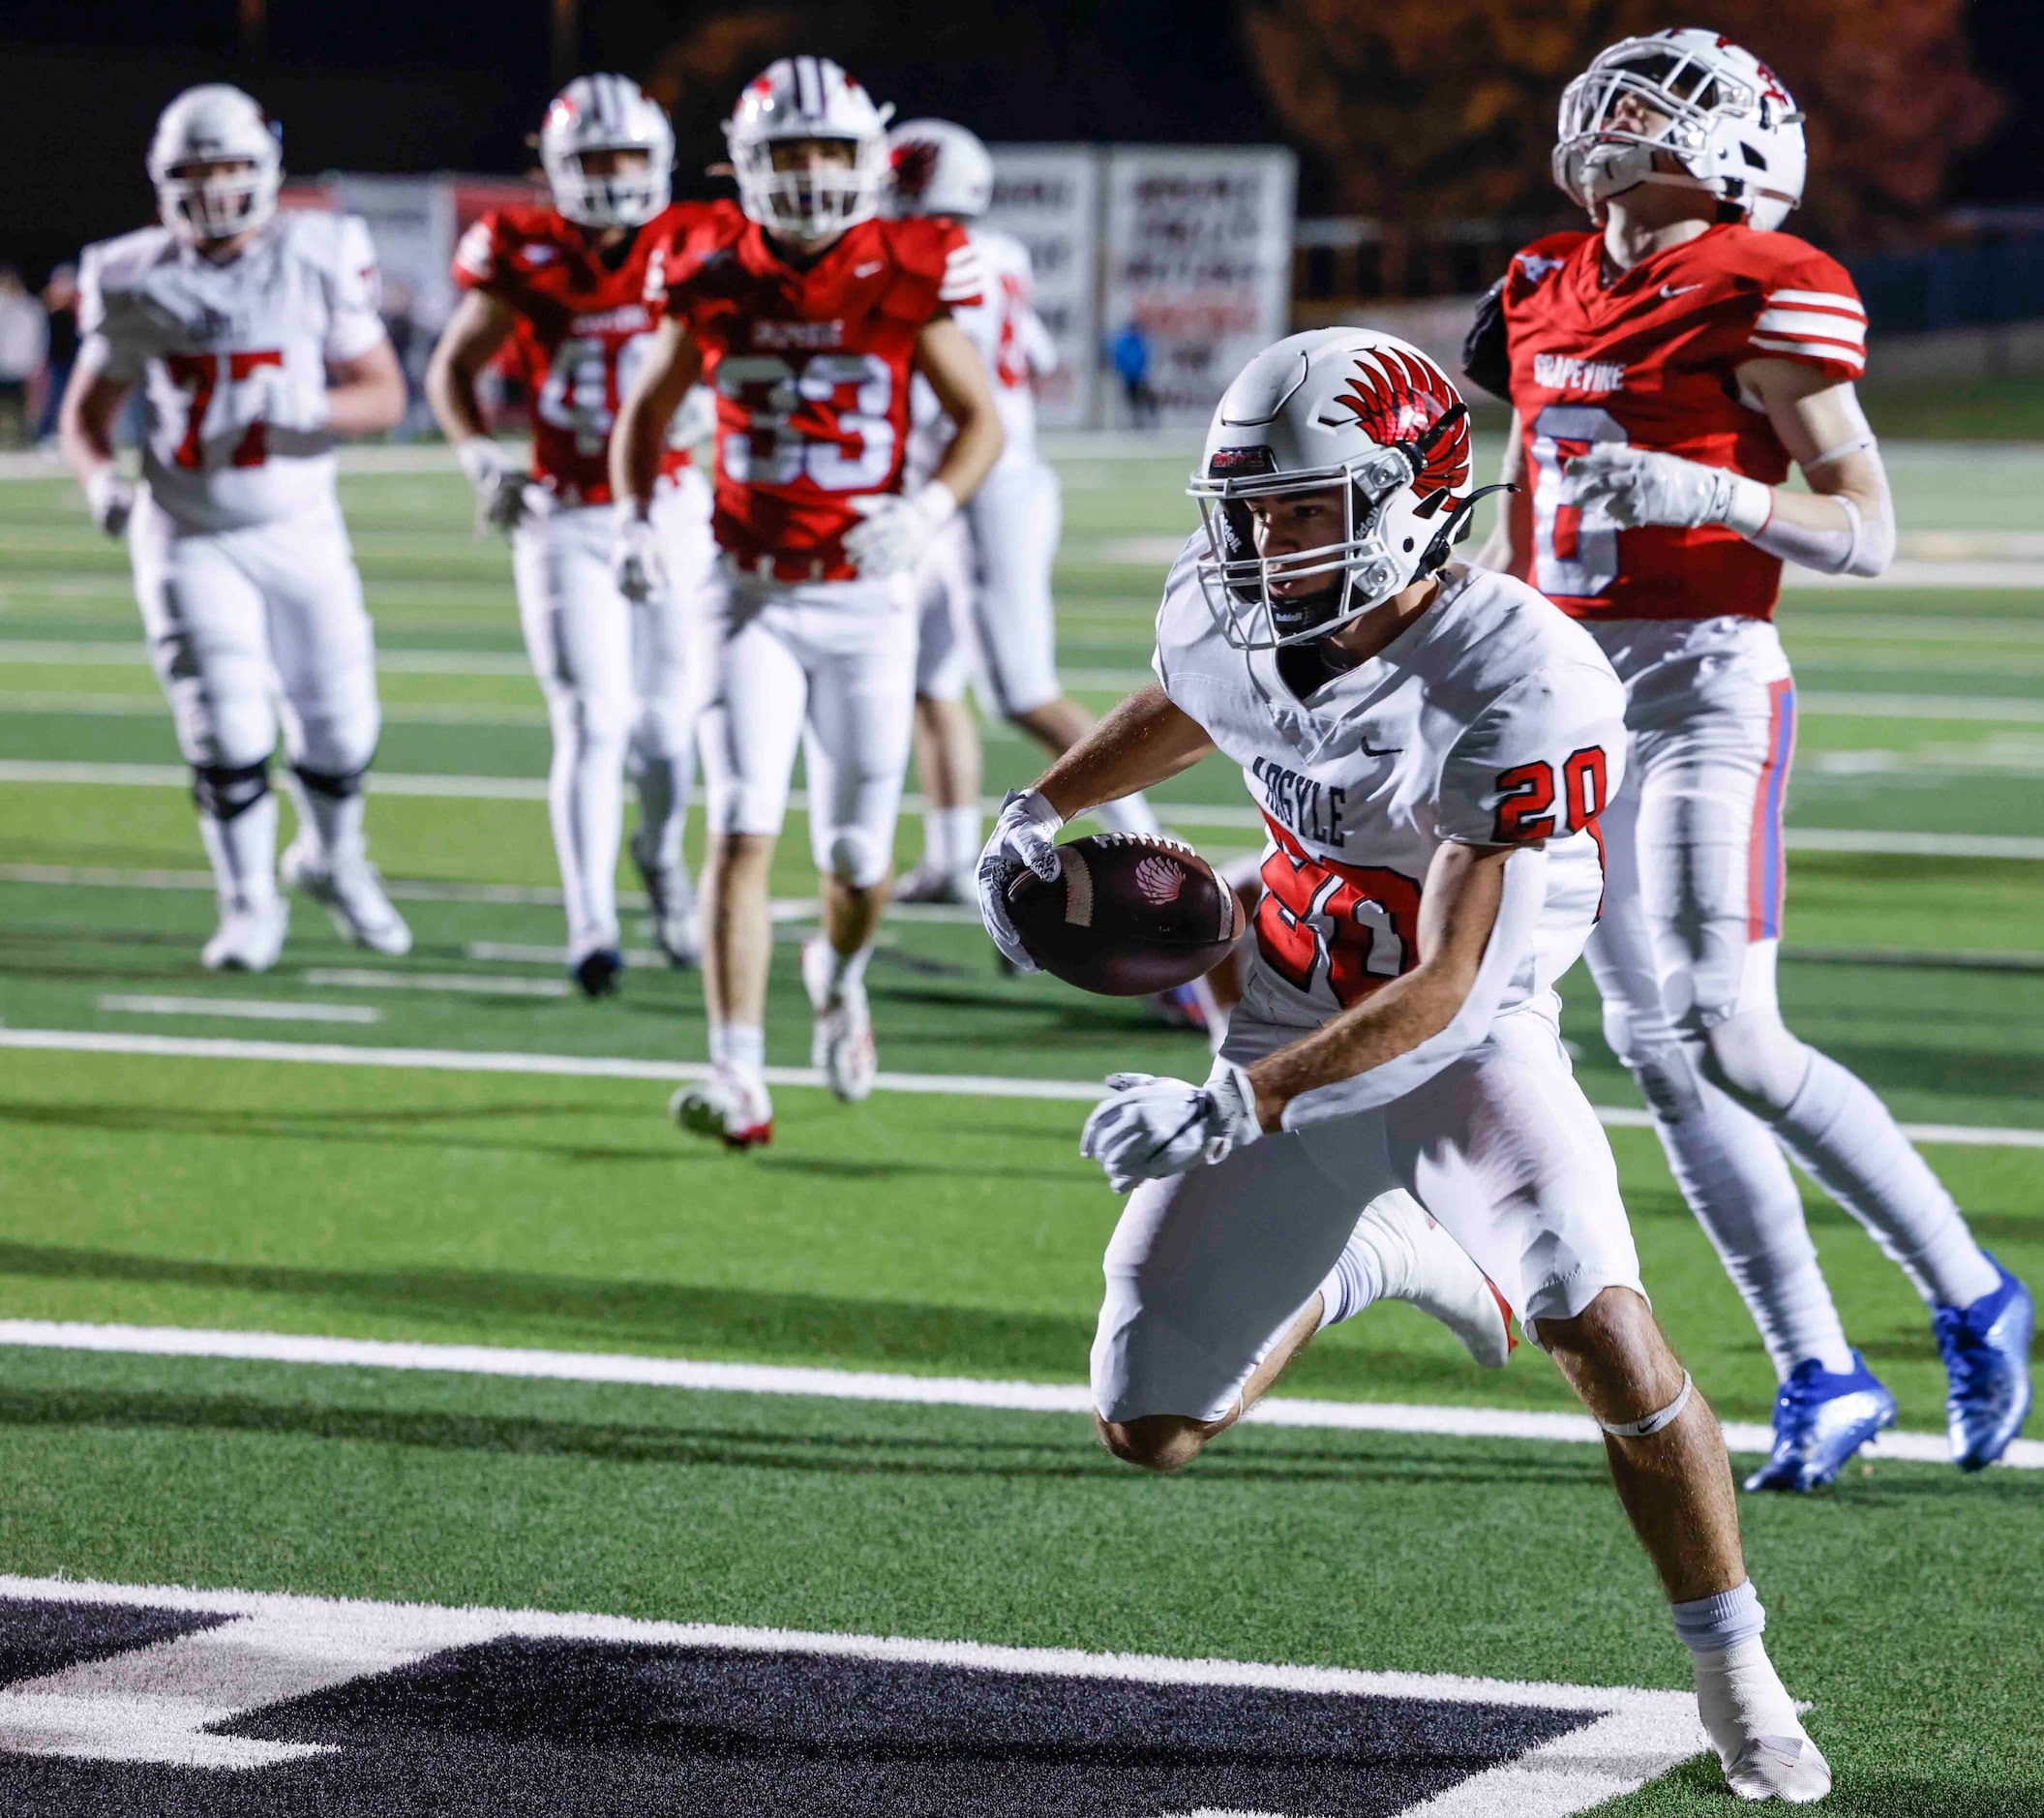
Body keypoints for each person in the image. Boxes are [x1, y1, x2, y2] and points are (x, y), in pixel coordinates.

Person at [980, 327, 1831, 1804]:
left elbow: (1445, 987)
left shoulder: (1516, 677)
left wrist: (1239, 1100)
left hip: (1466, 1047)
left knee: (1604, 1332)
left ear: (1415, 499)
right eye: (1249, 510)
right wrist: (1038, 805)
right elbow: (1200, 701)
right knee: (1150, 1425)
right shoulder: (1237, 606)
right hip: (1288, 1011)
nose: (1264, 544)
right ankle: (1372, 1250)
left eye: (1304, 510)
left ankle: (1736, 1668)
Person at [1469, 28, 2032, 1489]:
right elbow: (1525, 483)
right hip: (1569, 702)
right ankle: (1817, 1369)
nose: (1623, 110)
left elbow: (1870, 527)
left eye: (1668, 101)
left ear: (1742, 147)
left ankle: (1971, 1290)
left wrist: (1713, 487)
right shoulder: (1537, 283)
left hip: (1708, 684)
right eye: (1622, 89)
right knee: (1658, 1058)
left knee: (1730, 1028)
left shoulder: (1768, 280)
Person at [611, 55, 1004, 1146]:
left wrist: (924, 512)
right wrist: (643, 516)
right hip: (742, 589)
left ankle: (838, 974)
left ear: (870, 160)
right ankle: (736, 1073)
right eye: (789, 152)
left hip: (863, 598)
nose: (813, 172)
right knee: (738, 825)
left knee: (856, 860)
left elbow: (982, 422)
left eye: (832, 150)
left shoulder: (905, 266)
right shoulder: (704, 264)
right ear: (745, 165)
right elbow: (645, 412)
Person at [59, 83, 411, 971]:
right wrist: (101, 479)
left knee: (340, 727)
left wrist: (310, 402)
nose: (214, 190)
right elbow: (86, 414)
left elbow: (385, 395)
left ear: (266, 170)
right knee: (226, 726)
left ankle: (334, 859)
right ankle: (250, 903)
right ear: (162, 180)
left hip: (301, 525)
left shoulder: (317, 255)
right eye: (194, 172)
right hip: (189, 529)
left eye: (228, 168)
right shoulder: (134, 274)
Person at [880, 121, 1217, 1029]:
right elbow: (1029, 351)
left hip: (983, 484)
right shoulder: (997, 252)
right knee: (924, 679)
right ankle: (951, 856)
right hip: (968, 480)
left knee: (1021, 691)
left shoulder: (921, 253)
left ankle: (1149, 859)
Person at [428, 73, 715, 997]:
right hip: (563, 513)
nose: (613, 175)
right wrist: (479, 456)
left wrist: (712, 410)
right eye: (593, 160)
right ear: (555, 169)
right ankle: (590, 925)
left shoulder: (696, 241)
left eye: (628, 157)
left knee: (669, 730)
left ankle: (662, 864)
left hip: (671, 504)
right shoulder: (522, 249)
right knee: (592, 721)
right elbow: (454, 369)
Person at [0, 267, 47, 447]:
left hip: (24, 364)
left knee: (25, 407)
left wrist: (37, 361)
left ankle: (23, 439)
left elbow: (40, 336)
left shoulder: (31, 307)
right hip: (3, 364)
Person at [36, 265, 78, 446]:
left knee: (74, 401)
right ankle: (44, 434)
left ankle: (72, 436)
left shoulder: (76, 308)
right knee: (53, 399)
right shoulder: (48, 309)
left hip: (75, 363)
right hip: (56, 363)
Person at [1110, 319, 1157, 428]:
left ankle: (1143, 420)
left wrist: (1142, 370)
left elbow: (1145, 357)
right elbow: (1119, 359)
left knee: (1143, 399)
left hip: (1140, 376)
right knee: (1131, 400)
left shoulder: (1140, 341)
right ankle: (1133, 421)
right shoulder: (1124, 342)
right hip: (1128, 377)